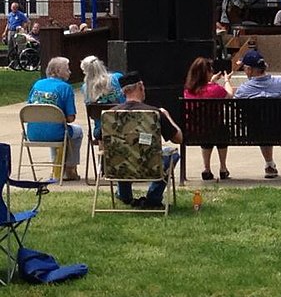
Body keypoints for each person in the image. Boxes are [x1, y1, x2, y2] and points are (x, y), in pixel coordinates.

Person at [112, 72, 183, 208]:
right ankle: (153, 198)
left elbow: (100, 138)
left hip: (120, 166)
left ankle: (124, 195)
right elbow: (178, 139)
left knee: (122, 151)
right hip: (150, 166)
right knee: (172, 153)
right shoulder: (154, 113)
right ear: (140, 86)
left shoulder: (110, 114)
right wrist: (167, 116)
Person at [233, 50, 281, 178]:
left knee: (262, 124)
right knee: (267, 123)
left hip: (254, 132)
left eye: (244, 68)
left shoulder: (244, 89)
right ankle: (270, 165)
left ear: (250, 70)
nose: (244, 71)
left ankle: (269, 164)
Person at [27, 57, 82, 181]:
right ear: (57, 71)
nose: (70, 72)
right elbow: (70, 118)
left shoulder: (37, 84)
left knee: (56, 126)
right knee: (76, 131)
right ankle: (70, 168)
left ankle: (55, 167)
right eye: (67, 70)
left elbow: (29, 107)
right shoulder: (65, 88)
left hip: (32, 134)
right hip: (56, 133)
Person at [184, 56, 234, 180]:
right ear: (206, 73)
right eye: (210, 70)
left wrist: (211, 81)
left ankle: (206, 168)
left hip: (195, 131)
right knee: (220, 129)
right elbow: (229, 95)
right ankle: (223, 167)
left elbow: (204, 90)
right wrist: (227, 81)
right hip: (216, 129)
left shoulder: (188, 91)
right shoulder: (215, 90)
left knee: (207, 131)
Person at [80, 55, 125, 139]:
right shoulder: (117, 78)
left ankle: (102, 149)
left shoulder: (85, 88)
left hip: (100, 131)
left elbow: (92, 115)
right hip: (123, 126)